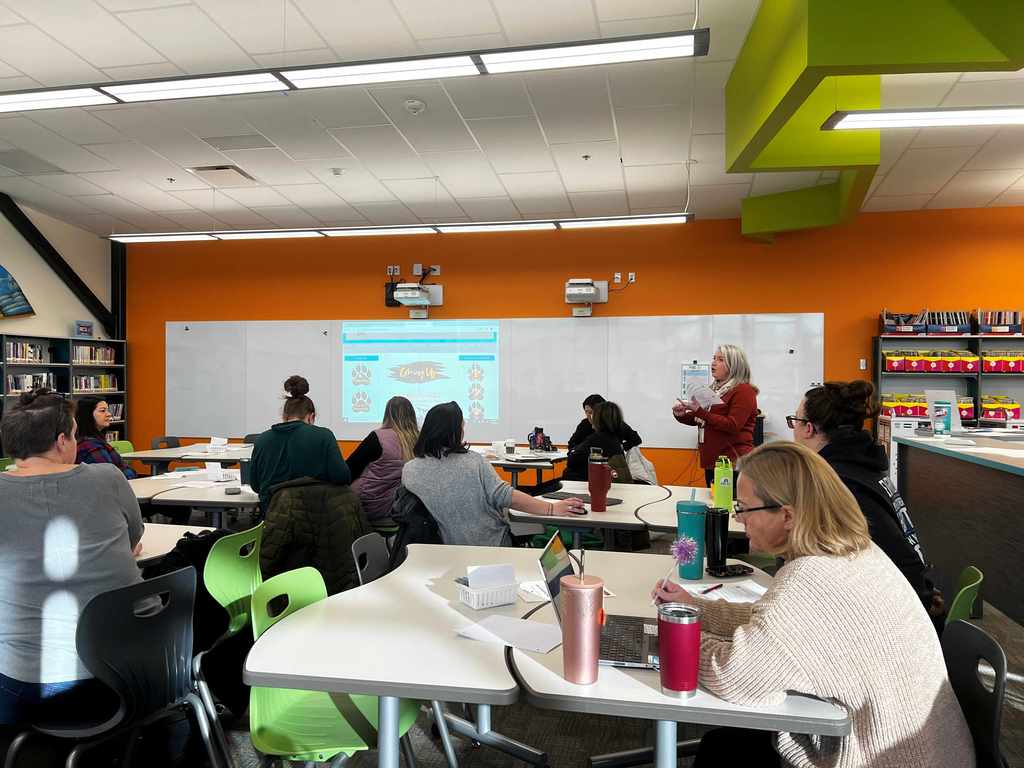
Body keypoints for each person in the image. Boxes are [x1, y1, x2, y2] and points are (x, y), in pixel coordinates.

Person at [652, 442, 974, 768]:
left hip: (889, 759)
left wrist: (673, 637)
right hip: (929, 751)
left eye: (745, 508)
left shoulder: (811, 580)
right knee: (723, 747)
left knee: (724, 751)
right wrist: (696, 609)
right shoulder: (851, 553)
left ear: (787, 516)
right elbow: (770, 623)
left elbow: (734, 677)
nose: (739, 518)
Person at [0, 389, 144, 725]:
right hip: (125, 675)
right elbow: (133, 538)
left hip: (20, 685)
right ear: (63, 440)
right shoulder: (108, 477)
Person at [789, 380, 945, 625]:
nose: (793, 429)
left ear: (808, 428)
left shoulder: (839, 482)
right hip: (917, 595)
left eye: (794, 421)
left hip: (903, 618)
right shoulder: (865, 467)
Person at [402, 402, 585, 546]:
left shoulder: (410, 471)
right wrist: (552, 509)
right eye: (462, 426)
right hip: (490, 546)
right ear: (454, 431)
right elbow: (506, 496)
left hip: (440, 550)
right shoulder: (474, 462)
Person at [249, 375, 350, 509]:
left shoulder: (262, 440)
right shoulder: (324, 436)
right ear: (311, 417)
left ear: (284, 416)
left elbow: (256, 485)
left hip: (273, 518)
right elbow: (342, 477)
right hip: (314, 516)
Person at [672, 344, 757, 487]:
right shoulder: (715, 390)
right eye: (714, 358)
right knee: (716, 504)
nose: (713, 363)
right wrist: (680, 414)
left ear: (733, 365)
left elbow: (732, 425)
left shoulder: (743, 390)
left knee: (730, 506)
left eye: (720, 359)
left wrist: (700, 411)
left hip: (733, 464)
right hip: (713, 463)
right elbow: (702, 419)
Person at [348, 396, 419, 527]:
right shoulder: (419, 441)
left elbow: (349, 469)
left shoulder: (377, 438)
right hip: (402, 508)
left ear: (388, 414)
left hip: (368, 507)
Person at [562, 401, 633, 482]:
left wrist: (574, 450)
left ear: (599, 418)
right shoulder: (614, 437)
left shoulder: (597, 438)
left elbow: (571, 461)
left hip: (592, 484)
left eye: (592, 414)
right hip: (610, 481)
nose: (590, 416)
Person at [74, 395, 136, 479]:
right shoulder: (89, 445)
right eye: (102, 411)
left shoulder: (96, 440)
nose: (109, 414)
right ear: (88, 414)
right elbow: (110, 475)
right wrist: (130, 473)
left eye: (108, 410)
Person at [567, 394, 642, 453]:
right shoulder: (584, 424)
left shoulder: (616, 423)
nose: (589, 415)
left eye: (591, 412)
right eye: (586, 412)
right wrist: (580, 450)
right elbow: (572, 443)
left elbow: (636, 439)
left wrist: (620, 447)